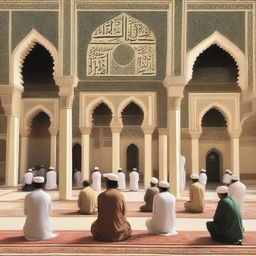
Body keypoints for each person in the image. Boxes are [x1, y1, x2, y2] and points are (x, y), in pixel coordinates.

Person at [91, 173, 132, 242]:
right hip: (118, 232)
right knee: (127, 226)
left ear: (107, 184)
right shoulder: (120, 196)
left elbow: (100, 213)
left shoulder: (101, 196)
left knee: (93, 226)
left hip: (102, 232)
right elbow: (124, 213)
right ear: (117, 185)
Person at [23, 176, 57, 241]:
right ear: (43, 184)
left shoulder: (28, 196)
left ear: (33, 184)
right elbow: (50, 212)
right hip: (45, 231)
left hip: (30, 232)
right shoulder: (47, 196)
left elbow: (26, 212)